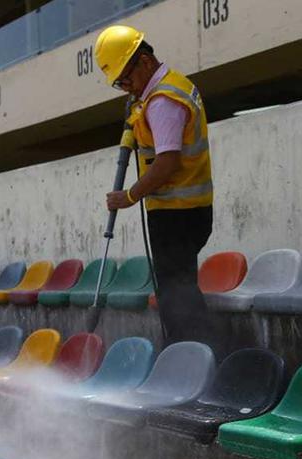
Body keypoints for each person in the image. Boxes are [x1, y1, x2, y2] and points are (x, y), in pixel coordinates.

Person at [95, 25, 214, 345]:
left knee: (179, 298)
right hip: (188, 213)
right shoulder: (168, 88)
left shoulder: (162, 101)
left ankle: (194, 358)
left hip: (177, 216)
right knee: (177, 291)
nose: (124, 87)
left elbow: (167, 162)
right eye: (118, 83)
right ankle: (188, 355)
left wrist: (130, 195)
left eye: (125, 78)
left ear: (145, 61)